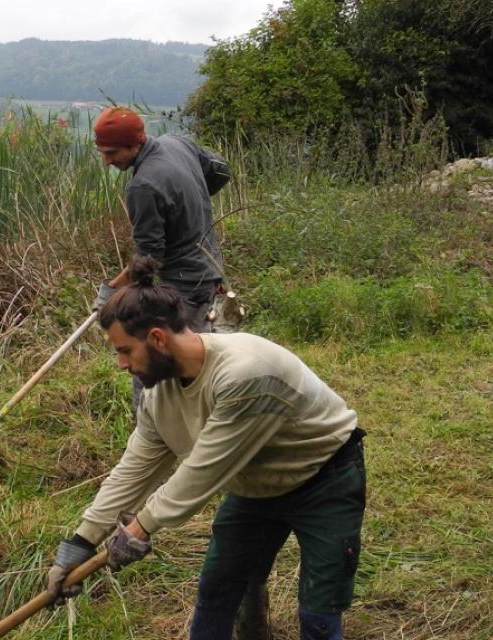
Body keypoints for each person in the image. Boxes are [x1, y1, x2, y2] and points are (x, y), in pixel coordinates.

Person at [49, 256, 368, 640]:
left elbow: (201, 471)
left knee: (318, 609)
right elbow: (135, 467)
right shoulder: (159, 393)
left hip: (324, 478)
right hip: (253, 486)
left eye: (124, 350)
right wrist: (82, 542)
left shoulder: (245, 374)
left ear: (156, 338)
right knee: (218, 590)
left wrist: (140, 527)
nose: (120, 364)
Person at [90, 106, 231, 333]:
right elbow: (221, 171)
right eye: (102, 152)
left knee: (172, 360)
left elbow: (148, 260)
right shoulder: (177, 143)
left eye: (112, 153)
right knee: (206, 352)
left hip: (185, 289)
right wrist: (192, 203)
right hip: (213, 271)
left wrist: (111, 294)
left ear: (134, 144)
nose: (106, 161)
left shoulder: (143, 186)